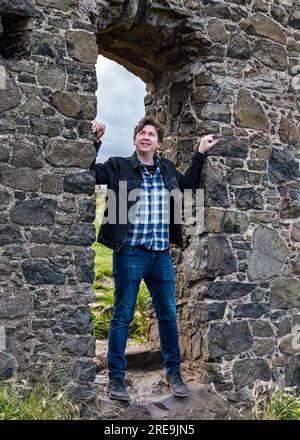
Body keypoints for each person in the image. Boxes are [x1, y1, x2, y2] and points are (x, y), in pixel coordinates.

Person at [90, 117, 218, 402]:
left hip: (160, 255)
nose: (146, 137)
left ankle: (173, 373)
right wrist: (95, 141)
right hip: (130, 253)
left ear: (159, 143)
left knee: (168, 316)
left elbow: (186, 187)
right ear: (135, 139)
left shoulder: (167, 169)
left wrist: (199, 152)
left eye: (152, 134)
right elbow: (90, 174)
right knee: (122, 315)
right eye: (142, 133)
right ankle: (116, 379)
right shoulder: (118, 166)